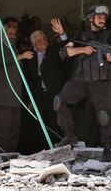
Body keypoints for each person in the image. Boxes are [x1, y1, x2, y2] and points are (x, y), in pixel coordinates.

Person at [55, 5, 111, 162]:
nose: (102, 19)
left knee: (104, 116)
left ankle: (107, 148)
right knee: (60, 101)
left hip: (103, 81)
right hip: (81, 80)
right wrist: (83, 50)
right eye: (99, 16)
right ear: (91, 18)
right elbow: (65, 52)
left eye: (104, 17)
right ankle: (70, 136)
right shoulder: (80, 35)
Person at [22, 19, 69, 151]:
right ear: (33, 45)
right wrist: (29, 100)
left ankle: (57, 151)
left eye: (44, 38)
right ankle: (39, 153)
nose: (43, 41)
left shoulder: (54, 51)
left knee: (56, 124)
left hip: (55, 95)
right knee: (38, 126)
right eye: (39, 41)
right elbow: (28, 81)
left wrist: (62, 34)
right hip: (38, 96)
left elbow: (66, 46)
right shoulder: (29, 57)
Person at [0, 24, 34, 153]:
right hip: (2, 99)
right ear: (2, 33)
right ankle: (1, 158)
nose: (12, 36)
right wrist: (21, 56)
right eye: (9, 33)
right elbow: (0, 60)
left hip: (15, 98)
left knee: (13, 133)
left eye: (14, 34)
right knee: (2, 132)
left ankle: (11, 157)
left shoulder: (12, 46)